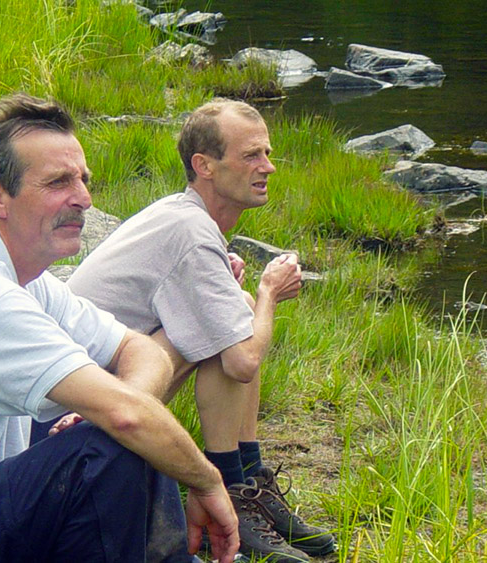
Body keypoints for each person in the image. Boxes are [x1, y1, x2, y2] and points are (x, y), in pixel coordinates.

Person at [0, 93, 239, 563]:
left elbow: (144, 353)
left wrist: (129, 404)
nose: (83, 198)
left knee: (125, 427)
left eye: (83, 179)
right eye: (59, 182)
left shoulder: (24, 279)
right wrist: (206, 478)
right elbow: (127, 417)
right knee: (114, 443)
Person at [68, 99, 335, 562]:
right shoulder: (190, 231)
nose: (268, 167)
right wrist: (271, 292)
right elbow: (242, 363)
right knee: (239, 322)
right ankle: (231, 493)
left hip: (101, 391)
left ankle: (247, 481)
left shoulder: (184, 216)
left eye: (268, 154)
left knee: (235, 310)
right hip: (75, 416)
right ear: (204, 165)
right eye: (251, 155)